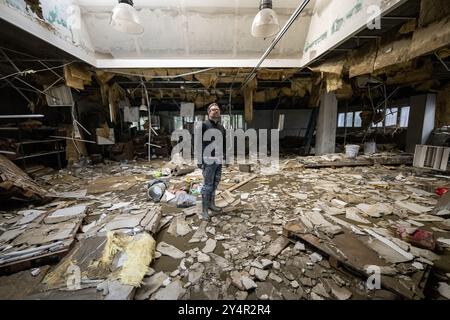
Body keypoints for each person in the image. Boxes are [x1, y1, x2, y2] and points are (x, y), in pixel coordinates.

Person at [198, 103, 226, 221]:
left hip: (218, 159)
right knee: (207, 185)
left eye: (217, 110)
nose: (215, 111)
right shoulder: (204, 125)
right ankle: (204, 210)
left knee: (215, 183)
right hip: (208, 160)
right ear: (208, 112)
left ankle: (211, 204)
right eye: (213, 110)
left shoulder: (221, 127)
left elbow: (224, 144)